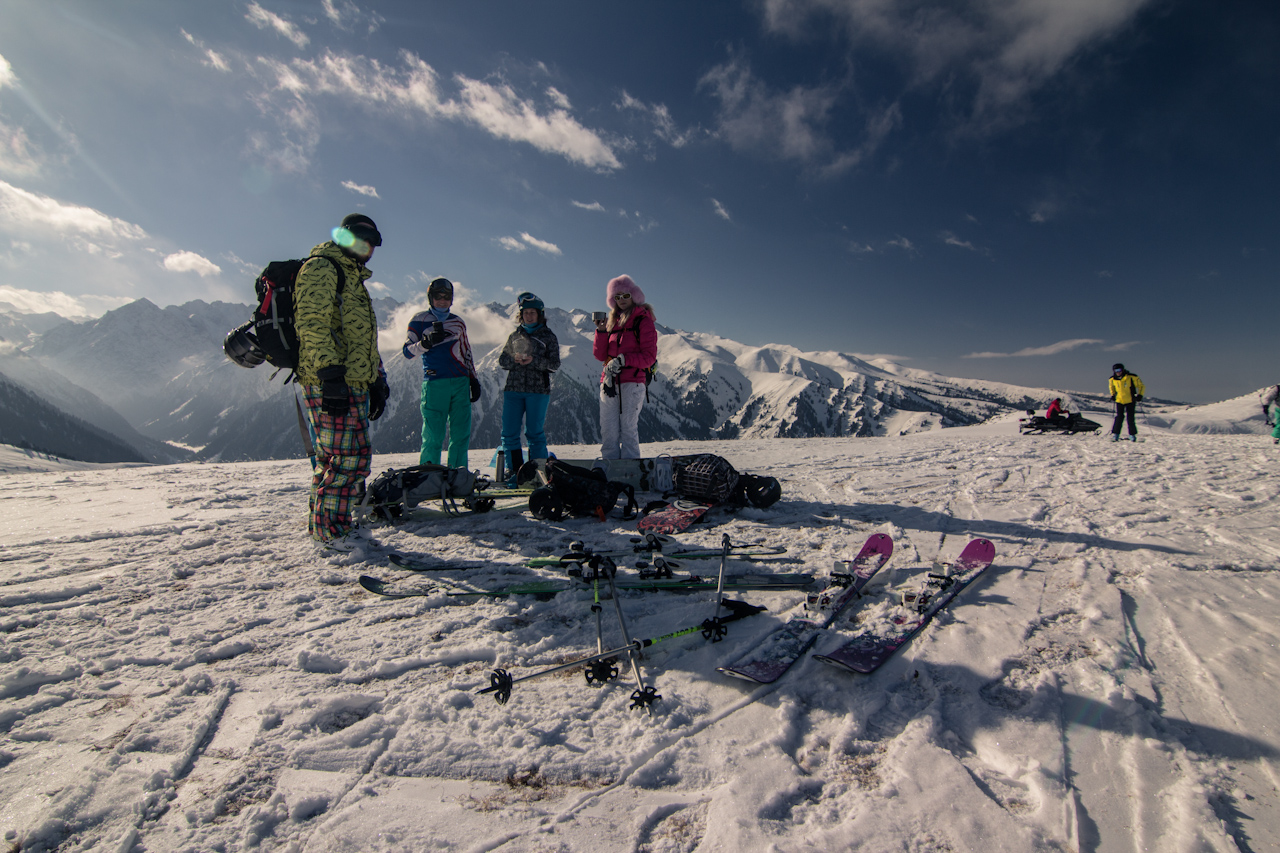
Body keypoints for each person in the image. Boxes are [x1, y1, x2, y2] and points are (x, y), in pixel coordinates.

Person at [295, 213, 391, 552]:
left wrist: (376, 378)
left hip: (354, 382)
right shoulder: (323, 268)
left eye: (373, 241)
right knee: (345, 459)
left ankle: (327, 527)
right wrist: (330, 376)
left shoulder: (353, 278)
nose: (366, 246)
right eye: (359, 238)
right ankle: (332, 534)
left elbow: (361, 336)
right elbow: (311, 323)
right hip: (331, 382)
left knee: (344, 458)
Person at [403, 277, 481, 468]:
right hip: (435, 382)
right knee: (433, 436)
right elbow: (407, 351)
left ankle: (457, 476)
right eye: (438, 296)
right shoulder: (419, 320)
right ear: (430, 298)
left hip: (460, 382)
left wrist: (473, 379)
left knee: (461, 435)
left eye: (446, 297)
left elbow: (466, 352)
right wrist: (425, 343)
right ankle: (428, 478)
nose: (442, 300)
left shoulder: (458, 322)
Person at [497, 292, 561, 484]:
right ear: (521, 314)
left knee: (534, 433)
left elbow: (554, 364)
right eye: (526, 313)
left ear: (540, 314)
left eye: (533, 313)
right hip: (513, 390)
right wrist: (514, 359)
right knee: (509, 433)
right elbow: (502, 361)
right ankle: (515, 471)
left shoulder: (548, 336)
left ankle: (538, 471)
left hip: (538, 391)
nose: (529, 316)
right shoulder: (515, 336)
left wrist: (534, 361)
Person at [593, 274, 657, 459]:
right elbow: (600, 356)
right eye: (617, 297)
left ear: (634, 296)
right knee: (609, 430)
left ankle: (630, 473)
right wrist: (601, 331)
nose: (621, 300)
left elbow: (649, 357)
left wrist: (623, 360)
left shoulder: (643, 321)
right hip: (609, 382)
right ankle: (610, 470)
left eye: (625, 295)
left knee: (628, 429)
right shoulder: (612, 322)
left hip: (633, 382)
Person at [1108, 363, 1145, 441]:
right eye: (1116, 370)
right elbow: (1111, 387)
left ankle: (1132, 435)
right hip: (1119, 400)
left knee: (1130, 418)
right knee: (1119, 418)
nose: (1118, 372)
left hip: (1130, 400)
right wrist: (1113, 395)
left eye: (1119, 370)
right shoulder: (1112, 379)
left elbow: (1141, 386)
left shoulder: (1132, 377)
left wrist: (1140, 395)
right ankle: (1116, 435)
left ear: (1123, 370)